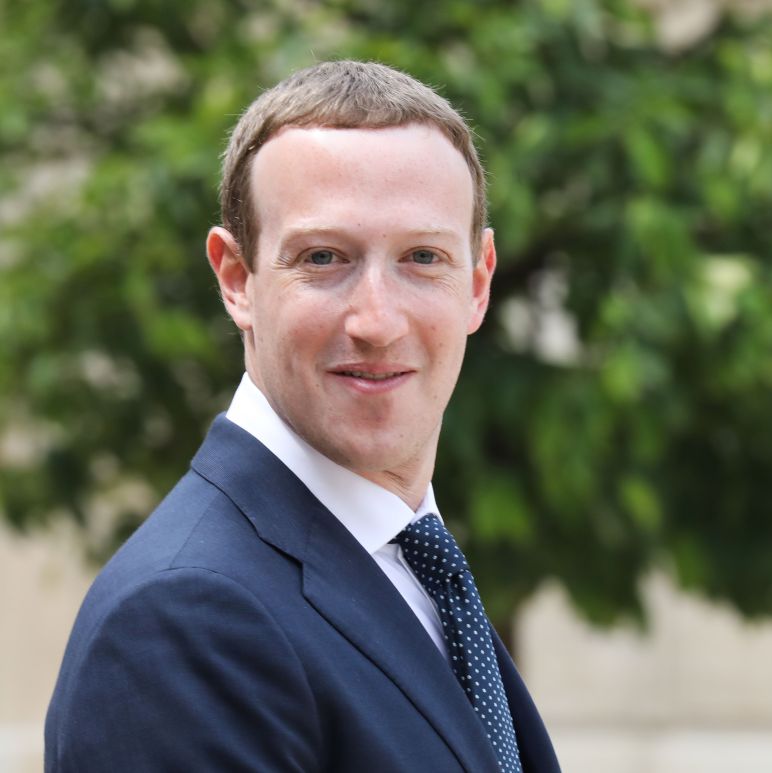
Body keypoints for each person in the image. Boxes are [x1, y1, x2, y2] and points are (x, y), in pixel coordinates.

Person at [45, 60, 560, 772]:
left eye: (422, 257)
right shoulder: (181, 620)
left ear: (477, 282)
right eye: (324, 257)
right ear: (236, 280)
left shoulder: (411, 567)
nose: (377, 321)